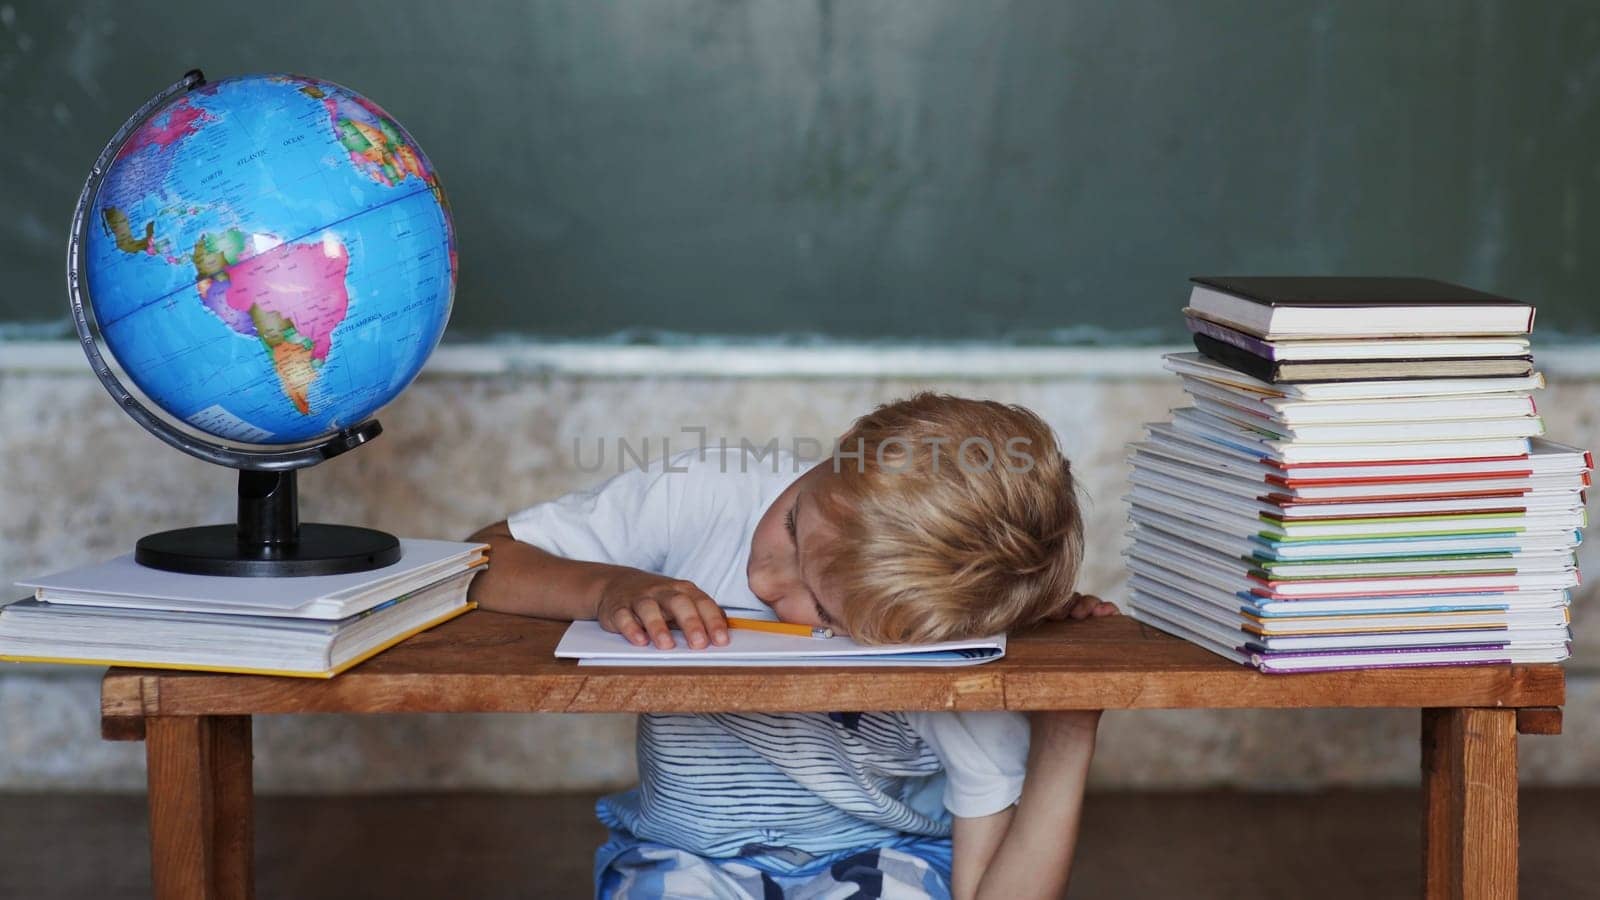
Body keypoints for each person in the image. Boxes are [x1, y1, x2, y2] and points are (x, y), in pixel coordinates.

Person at [467, 392, 1118, 899]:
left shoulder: (946, 646)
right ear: (841, 452)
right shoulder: (703, 496)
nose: (765, 579)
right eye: (791, 527)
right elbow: (482, 561)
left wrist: (1070, 726)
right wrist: (606, 585)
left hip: (888, 859)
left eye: (826, 611)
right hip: (689, 860)